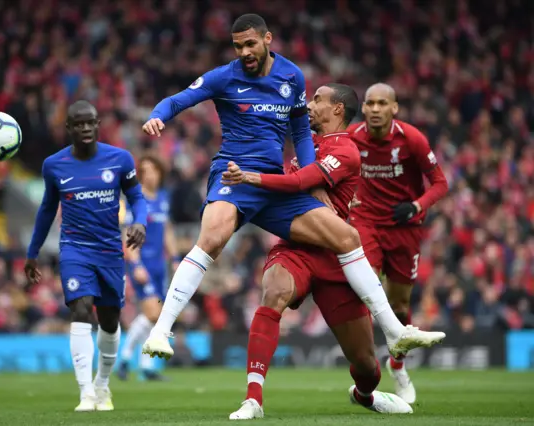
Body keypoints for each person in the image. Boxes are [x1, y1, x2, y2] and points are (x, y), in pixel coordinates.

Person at [141, 14, 444, 361]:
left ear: (267, 39)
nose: (244, 52)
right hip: (234, 175)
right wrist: (158, 116)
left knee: (347, 238)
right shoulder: (224, 77)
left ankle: (394, 332)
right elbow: (179, 99)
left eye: (250, 44)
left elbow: (301, 132)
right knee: (210, 240)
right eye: (238, 46)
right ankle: (160, 332)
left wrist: (315, 182)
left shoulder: (291, 76)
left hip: (274, 183)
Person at [223, 84, 413, 420]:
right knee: (274, 291)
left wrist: (253, 178)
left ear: (338, 109)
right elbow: (295, 177)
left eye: (317, 100)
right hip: (296, 245)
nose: (309, 105)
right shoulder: (305, 142)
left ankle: (364, 395)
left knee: (367, 367)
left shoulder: (347, 149)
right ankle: (253, 399)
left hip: (336, 257)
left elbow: (298, 182)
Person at [24, 100, 147, 412]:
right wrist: (33, 252)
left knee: (109, 321)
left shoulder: (119, 159)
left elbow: (136, 197)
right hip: (75, 250)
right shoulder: (54, 165)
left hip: (109, 251)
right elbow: (47, 210)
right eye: (78, 124)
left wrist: (139, 222)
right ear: (69, 128)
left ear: (98, 124)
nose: (86, 128)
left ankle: (102, 385)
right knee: (80, 309)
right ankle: (85, 393)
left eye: (90, 122)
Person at [347, 83, 449, 403]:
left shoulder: (411, 139)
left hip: (406, 226)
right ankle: (366, 367)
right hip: (367, 223)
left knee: (400, 305)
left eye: (382, 103)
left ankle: (397, 365)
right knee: (366, 287)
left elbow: (440, 183)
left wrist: (417, 206)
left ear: (394, 108)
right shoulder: (352, 137)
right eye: (370, 103)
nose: (375, 109)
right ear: (363, 109)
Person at [118, 155, 180, 381]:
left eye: (154, 169)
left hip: (159, 265)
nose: (150, 174)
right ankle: (125, 359)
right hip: (142, 264)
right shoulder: (137, 199)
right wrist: (135, 264)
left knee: (155, 316)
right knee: (154, 313)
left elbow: (168, 230)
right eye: (145, 170)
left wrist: (174, 258)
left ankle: (144, 366)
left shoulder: (163, 197)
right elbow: (129, 235)